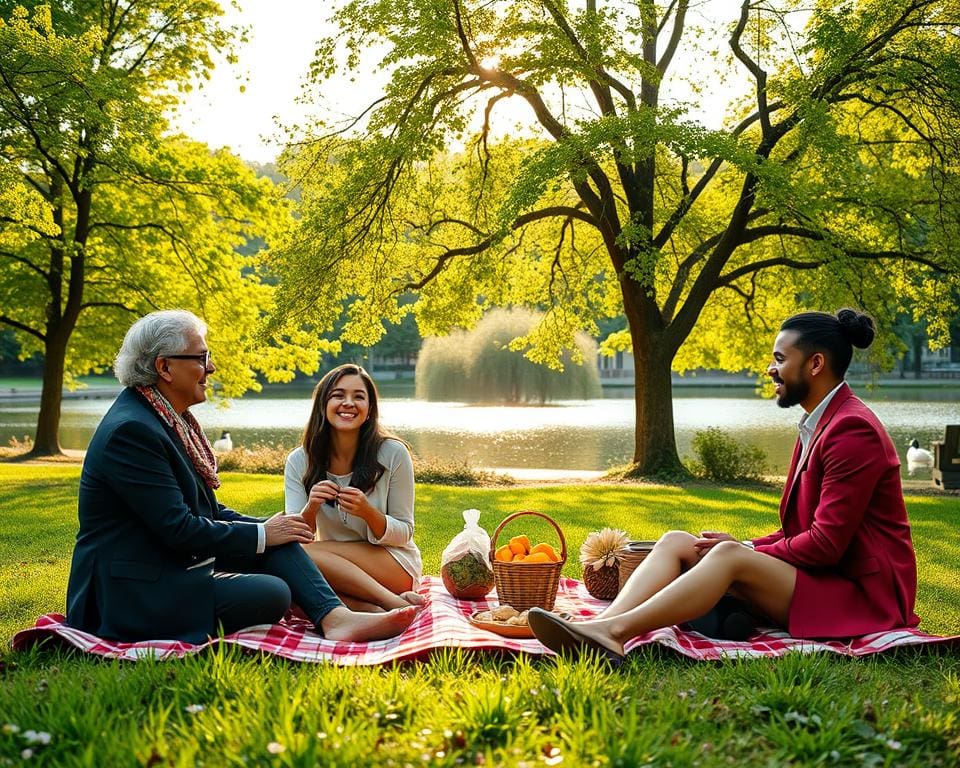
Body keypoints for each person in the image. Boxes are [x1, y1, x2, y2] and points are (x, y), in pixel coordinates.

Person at [529, 308, 920, 660]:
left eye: (780, 359)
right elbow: (799, 532)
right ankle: (598, 626)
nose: (771, 368)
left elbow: (824, 545)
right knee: (678, 541)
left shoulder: (852, 430)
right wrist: (745, 545)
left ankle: (614, 633)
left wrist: (742, 549)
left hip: (862, 597)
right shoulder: (820, 423)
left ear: (816, 363)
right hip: (826, 579)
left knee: (727, 557)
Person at [65, 310, 419, 644]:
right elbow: (179, 529)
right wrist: (264, 532)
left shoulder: (164, 420)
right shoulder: (133, 431)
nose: (212, 367)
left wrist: (269, 529)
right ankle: (345, 613)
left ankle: (337, 619)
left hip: (166, 567)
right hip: (129, 593)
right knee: (272, 591)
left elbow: (207, 510)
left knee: (279, 544)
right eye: (202, 358)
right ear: (165, 367)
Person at [284, 364, 423, 611]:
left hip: (393, 565)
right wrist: (312, 506)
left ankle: (389, 601)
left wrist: (368, 512)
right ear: (323, 405)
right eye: (338, 395)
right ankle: (372, 610)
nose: (348, 403)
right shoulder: (299, 461)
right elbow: (297, 533)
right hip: (331, 566)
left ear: (369, 409)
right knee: (286, 586)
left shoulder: (393, 454)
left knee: (291, 558)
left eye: (358, 397)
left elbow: (405, 532)